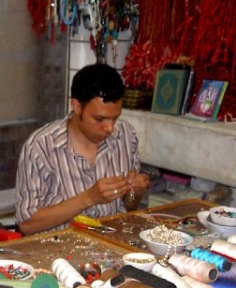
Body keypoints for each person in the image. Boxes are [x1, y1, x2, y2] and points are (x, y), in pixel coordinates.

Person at [15, 63, 150, 235]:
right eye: (100, 119)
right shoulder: (41, 146)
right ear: (77, 106)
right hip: (57, 250)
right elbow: (26, 224)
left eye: (115, 118)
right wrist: (89, 198)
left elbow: (130, 205)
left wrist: (135, 192)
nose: (110, 128)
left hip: (112, 241)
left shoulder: (126, 135)